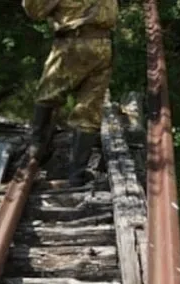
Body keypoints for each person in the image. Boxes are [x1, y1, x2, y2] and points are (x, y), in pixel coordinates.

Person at [22, 0, 118, 187]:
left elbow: (35, 11)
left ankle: (37, 149)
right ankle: (76, 174)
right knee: (89, 110)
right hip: (103, 45)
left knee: (49, 93)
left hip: (72, 43)